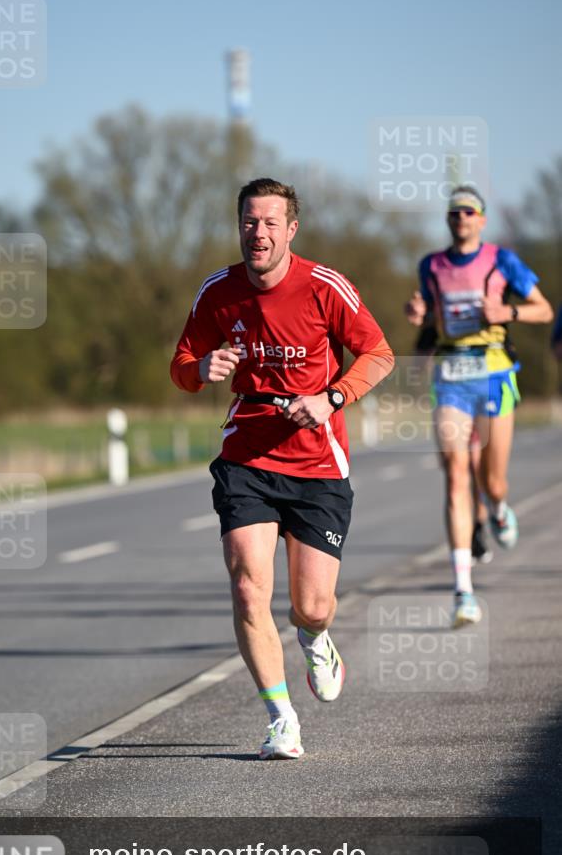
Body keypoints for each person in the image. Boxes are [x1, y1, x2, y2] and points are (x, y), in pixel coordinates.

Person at [171, 177, 394, 759]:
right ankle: (281, 719)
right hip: (247, 456)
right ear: (238, 225)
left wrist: (332, 398)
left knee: (311, 605)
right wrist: (203, 368)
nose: (258, 233)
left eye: (270, 223)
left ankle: (316, 638)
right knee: (248, 588)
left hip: (319, 460)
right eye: (249, 221)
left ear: (291, 229)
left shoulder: (324, 287)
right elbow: (182, 364)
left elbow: (380, 354)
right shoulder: (218, 291)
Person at [405, 185, 553, 627]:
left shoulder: (502, 260)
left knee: (493, 483)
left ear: (482, 220)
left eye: (469, 212)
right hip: (451, 375)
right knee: (455, 474)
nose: (461, 219)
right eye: (454, 213)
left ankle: (501, 510)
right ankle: (463, 592)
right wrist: (418, 312)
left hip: (494, 374)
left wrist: (506, 313)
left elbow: (543, 310)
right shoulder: (430, 265)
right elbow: (431, 314)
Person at [413, 320, 492, 564]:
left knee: (477, 468)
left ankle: (478, 525)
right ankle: (465, 535)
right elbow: (418, 364)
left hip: (475, 403)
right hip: (446, 403)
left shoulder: (479, 321)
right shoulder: (433, 325)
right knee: (455, 472)